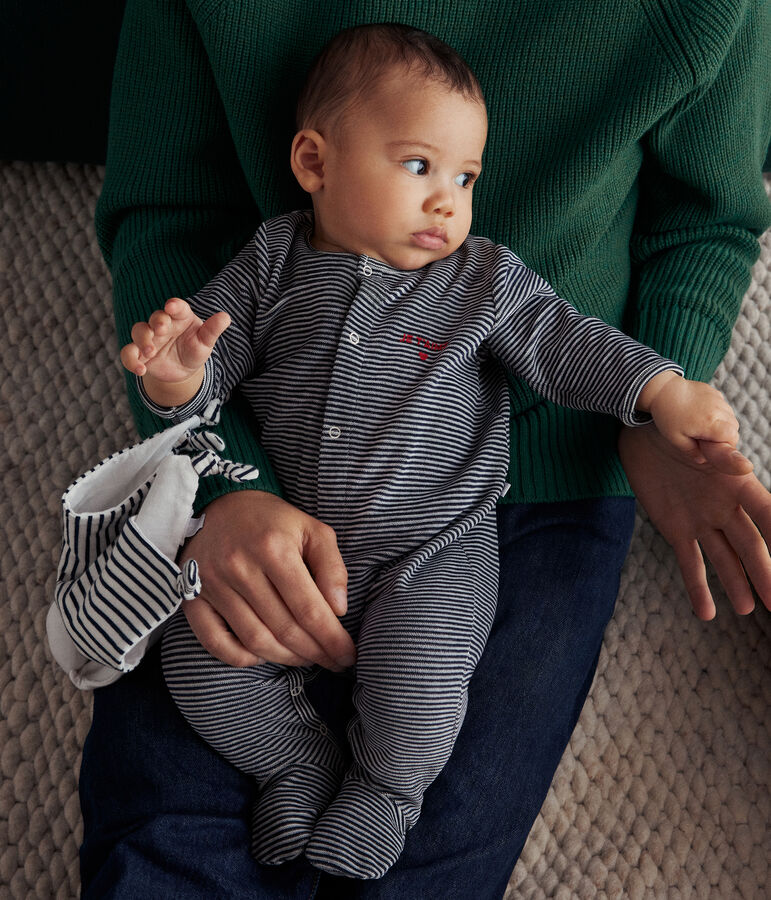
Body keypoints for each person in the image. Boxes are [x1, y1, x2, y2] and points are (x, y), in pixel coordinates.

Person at [81, 1, 771, 897]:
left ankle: (379, 790)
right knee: (193, 688)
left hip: (448, 529)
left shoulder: (484, 277)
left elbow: (577, 334)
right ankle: (295, 763)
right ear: (312, 163)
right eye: (418, 167)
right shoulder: (268, 261)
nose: (449, 200)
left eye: (467, 177)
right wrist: (205, 446)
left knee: (424, 723)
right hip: (258, 469)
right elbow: (192, 312)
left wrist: (656, 396)